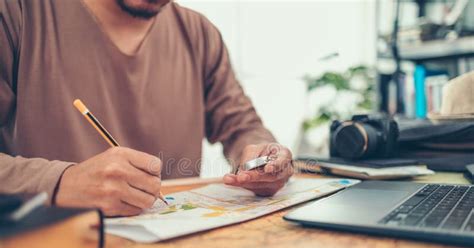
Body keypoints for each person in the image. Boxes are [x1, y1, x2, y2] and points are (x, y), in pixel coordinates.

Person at [0, 0, 294, 216]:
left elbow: (242, 126)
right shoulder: (16, 14)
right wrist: (61, 182)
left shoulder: (199, 34)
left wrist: (262, 159)